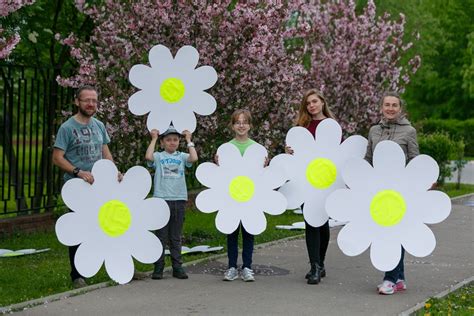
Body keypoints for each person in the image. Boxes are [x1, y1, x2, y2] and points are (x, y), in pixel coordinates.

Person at [52, 85, 119, 289]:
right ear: (77, 102)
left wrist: (114, 172)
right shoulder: (67, 128)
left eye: (94, 101)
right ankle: (77, 275)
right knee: (78, 230)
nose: (91, 104)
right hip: (77, 189)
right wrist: (78, 172)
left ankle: (116, 269)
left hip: (100, 188)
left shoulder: (99, 125)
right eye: (86, 100)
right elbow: (57, 158)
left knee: (109, 226)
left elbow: (105, 152)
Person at [365, 91, 419, 295]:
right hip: (378, 190)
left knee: (393, 232)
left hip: (399, 191)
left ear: (400, 109)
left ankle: (389, 279)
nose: (390, 108)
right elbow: (368, 159)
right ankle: (400, 278)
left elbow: (415, 159)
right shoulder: (373, 131)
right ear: (382, 107)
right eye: (386, 104)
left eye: (394, 105)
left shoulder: (409, 131)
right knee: (387, 231)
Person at [286, 89, 336, 285]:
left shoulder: (331, 126)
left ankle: (320, 263)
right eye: (308, 103)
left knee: (322, 223)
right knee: (311, 222)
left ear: (322, 102)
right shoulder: (301, 127)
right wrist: (288, 151)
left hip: (326, 182)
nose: (312, 106)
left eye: (314, 101)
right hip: (305, 182)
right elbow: (295, 155)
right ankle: (314, 265)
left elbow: (337, 153)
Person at [217, 109, 265, 282]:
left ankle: (247, 267)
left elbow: (261, 175)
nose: (241, 125)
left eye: (245, 122)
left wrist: (264, 166)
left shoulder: (256, 148)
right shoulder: (226, 148)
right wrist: (218, 164)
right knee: (231, 232)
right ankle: (231, 267)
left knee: (248, 232)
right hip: (231, 197)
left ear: (250, 125)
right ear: (232, 125)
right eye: (238, 122)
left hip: (250, 198)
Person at [146, 125, 198, 280]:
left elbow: (194, 158)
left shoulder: (182, 156)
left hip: (178, 200)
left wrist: (189, 140)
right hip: (161, 199)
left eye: (175, 140)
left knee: (175, 236)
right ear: (163, 142)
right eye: (168, 140)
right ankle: (159, 267)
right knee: (161, 236)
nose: (172, 143)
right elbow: (148, 157)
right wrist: (154, 138)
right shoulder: (158, 156)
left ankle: (177, 267)